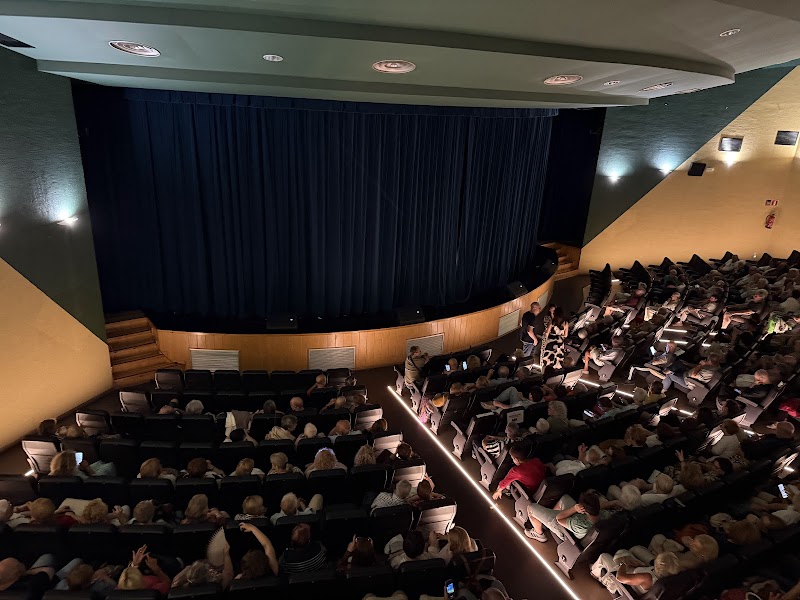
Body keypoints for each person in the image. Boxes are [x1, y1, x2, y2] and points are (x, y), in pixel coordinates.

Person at [524, 490, 609, 542]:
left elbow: (559, 519)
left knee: (531, 507)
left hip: (565, 530)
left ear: (583, 510)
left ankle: (539, 534)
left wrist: (574, 509)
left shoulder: (579, 524)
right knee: (565, 498)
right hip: (574, 518)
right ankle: (546, 520)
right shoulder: (605, 514)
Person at [49, 450, 116, 479]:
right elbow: (95, 480)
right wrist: (87, 468)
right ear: (72, 464)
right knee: (110, 466)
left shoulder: (50, 477)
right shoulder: (78, 476)